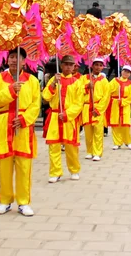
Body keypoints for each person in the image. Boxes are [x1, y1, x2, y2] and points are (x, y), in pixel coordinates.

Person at [0, 48, 41, 217]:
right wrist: (11, 90)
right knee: (4, 166)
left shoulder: (32, 81)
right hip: (4, 123)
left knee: (23, 166)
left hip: (23, 127)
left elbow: (35, 104)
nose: (14, 60)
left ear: (24, 61)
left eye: (17, 57)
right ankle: (5, 200)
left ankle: (23, 201)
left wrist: (25, 119)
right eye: (11, 57)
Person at [42, 55, 83, 183]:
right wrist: (53, 84)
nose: (68, 67)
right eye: (66, 64)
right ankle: (55, 172)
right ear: (61, 66)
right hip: (54, 116)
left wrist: (67, 114)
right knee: (54, 147)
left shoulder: (77, 82)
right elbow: (46, 97)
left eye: (71, 65)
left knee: (71, 147)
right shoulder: (54, 79)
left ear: (74, 67)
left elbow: (78, 103)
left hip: (69, 119)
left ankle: (74, 170)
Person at [81, 58, 110, 162]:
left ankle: (97, 152)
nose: (98, 67)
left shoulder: (104, 80)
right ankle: (89, 151)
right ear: (92, 66)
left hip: (97, 108)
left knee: (98, 131)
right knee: (88, 132)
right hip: (86, 107)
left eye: (100, 65)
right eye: (96, 65)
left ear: (103, 67)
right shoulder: (84, 78)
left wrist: (98, 109)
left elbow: (106, 97)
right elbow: (78, 90)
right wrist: (86, 86)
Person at [107, 65, 131, 150]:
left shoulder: (130, 84)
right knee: (115, 124)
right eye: (125, 71)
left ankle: (128, 142)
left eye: (128, 72)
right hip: (115, 104)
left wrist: (123, 102)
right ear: (121, 71)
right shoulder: (115, 81)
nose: (126, 73)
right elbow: (108, 90)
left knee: (126, 124)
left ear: (130, 74)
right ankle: (117, 142)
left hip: (125, 105)